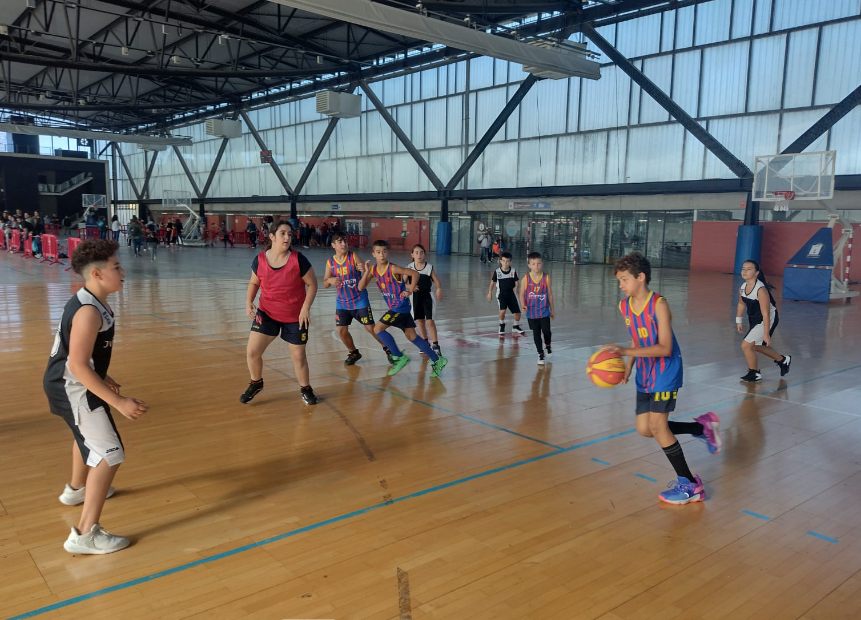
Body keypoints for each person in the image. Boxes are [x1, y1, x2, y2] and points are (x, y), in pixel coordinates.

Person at [43, 239, 149, 554]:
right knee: (111, 452)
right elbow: (77, 364)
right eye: (116, 267)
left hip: (64, 381)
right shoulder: (89, 311)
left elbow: (81, 356)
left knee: (87, 437)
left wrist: (104, 376)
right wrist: (119, 402)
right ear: (98, 274)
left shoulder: (91, 300)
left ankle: (77, 489)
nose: (123, 271)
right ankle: (85, 535)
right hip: (72, 386)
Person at [604, 252, 721, 506]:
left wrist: (626, 352)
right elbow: (636, 337)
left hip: (666, 371)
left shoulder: (659, 305)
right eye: (619, 281)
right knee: (645, 429)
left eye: (624, 280)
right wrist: (628, 366)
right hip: (645, 372)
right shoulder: (624, 306)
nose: (621, 286)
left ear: (641, 277)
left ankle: (690, 486)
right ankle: (701, 427)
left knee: (658, 427)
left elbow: (665, 347)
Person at [240, 221, 319, 406]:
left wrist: (306, 307)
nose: (287, 237)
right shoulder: (259, 260)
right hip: (267, 312)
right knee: (252, 352)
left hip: (295, 316)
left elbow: (313, 284)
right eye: (283, 233)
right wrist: (248, 301)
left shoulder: (298, 260)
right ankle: (256, 383)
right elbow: (254, 282)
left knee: (299, 357)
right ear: (272, 236)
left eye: (290, 234)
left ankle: (306, 388)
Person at [357, 240, 448, 378]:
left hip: (399, 307)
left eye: (384, 251)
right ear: (373, 254)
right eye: (378, 252)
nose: (382, 255)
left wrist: (410, 289)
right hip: (398, 308)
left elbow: (415, 274)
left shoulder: (393, 268)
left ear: (388, 252)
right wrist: (366, 271)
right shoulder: (374, 270)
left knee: (377, 329)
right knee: (412, 336)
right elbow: (360, 287)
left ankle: (399, 357)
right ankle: (437, 360)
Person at [323, 231, 394, 366]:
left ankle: (388, 349)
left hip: (359, 300)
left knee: (370, 328)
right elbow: (325, 283)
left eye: (345, 241)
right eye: (340, 242)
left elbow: (367, 273)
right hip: (342, 303)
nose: (344, 244)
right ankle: (354, 352)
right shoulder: (330, 262)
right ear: (333, 245)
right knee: (341, 331)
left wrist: (363, 269)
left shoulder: (353, 257)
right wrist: (330, 280)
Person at [737, 260, 791, 382]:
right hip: (755, 318)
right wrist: (738, 320)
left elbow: (766, 313)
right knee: (756, 346)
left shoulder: (760, 290)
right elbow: (741, 303)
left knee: (746, 345)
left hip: (767, 318)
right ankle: (783, 360)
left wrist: (766, 334)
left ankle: (754, 373)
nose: (745, 271)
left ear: (756, 273)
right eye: (743, 268)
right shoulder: (742, 287)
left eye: (749, 269)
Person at [406, 244, 443, 357]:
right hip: (415, 297)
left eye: (421, 252)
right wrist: (410, 287)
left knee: (430, 321)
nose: (419, 255)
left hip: (427, 296)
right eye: (416, 252)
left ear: (425, 255)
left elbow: (437, 282)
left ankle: (436, 345)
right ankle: (425, 343)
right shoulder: (409, 267)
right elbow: (403, 283)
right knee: (420, 321)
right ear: (412, 255)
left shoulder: (429, 267)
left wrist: (439, 289)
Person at [519, 252, 555, 365]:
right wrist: (523, 305)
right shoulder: (526, 279)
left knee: (546, 331)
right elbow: (521, 293)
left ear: (542, 264)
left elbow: (550, 294)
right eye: (533, 264)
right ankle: (540, 353)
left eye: (539, 263)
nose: (536, 266)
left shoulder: (546, 278)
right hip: (531, 312)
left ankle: (548, 345)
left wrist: (552, 310)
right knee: (536, 333)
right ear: (529, 265)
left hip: (544, 310)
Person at [487, 251, 526, 337]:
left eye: (507, 261)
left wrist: (516, 288)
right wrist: (490, 293)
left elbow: (516, 281)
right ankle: (501, 325)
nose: (505, 263)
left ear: (510, 262)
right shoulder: (497, 272)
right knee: (502, 311)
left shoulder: (513, 271)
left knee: (518, 312)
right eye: (503, 261)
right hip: (501, 294)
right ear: (500, 261)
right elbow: (492, 283)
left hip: (511, 293)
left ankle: (515, 326)